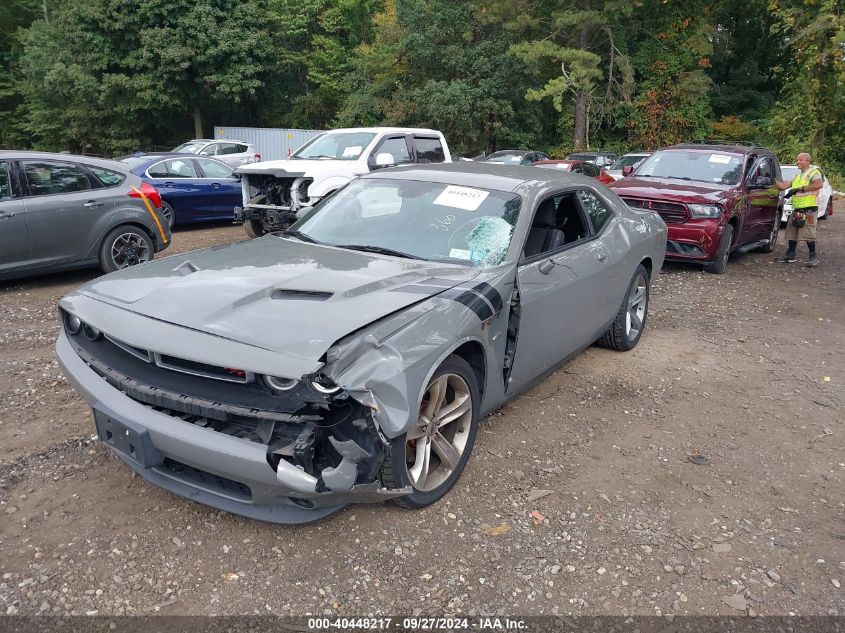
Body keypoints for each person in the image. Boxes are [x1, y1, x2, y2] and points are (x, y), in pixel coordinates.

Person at [776, 152, 824, 266]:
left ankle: (813, 256)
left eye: (800, 160)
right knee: (792, 230)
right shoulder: (798, 176)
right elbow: (783, 186)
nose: (798, 162)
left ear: (808, 161)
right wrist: (771, 179)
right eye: (797, 160)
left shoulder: (814, 172)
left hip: (809, 209)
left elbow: (819, 184)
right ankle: (790, 254)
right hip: (797, 208)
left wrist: (801, 189)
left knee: (808, 232)